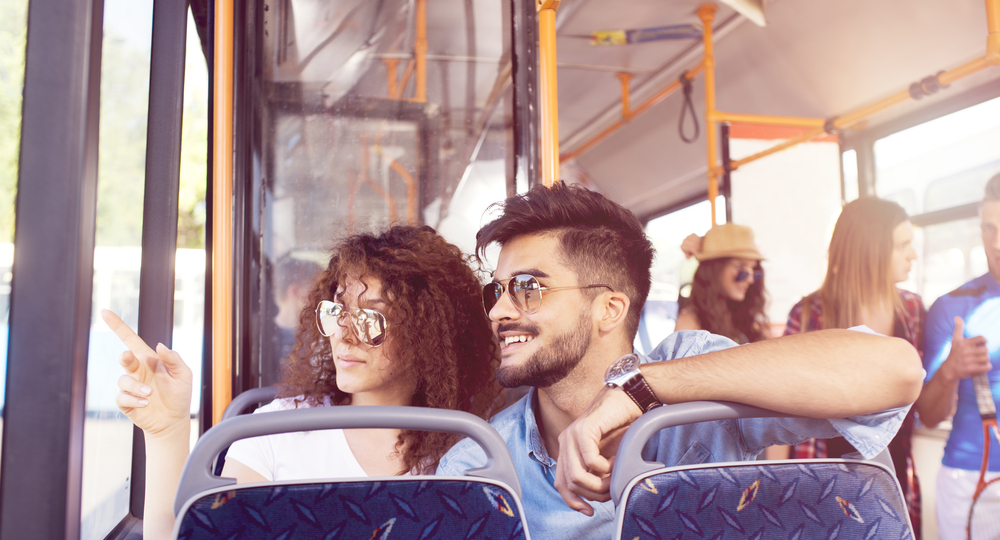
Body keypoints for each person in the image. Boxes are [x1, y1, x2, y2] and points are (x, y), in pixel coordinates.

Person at [436, 181, 924, 539]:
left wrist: (636, 389)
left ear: (610, 308)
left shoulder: (691, 371)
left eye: (528, 288)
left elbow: (896, 371)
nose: (499, 311)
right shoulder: (477, 463)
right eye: (496, 291)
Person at [107, 225, 501, 540]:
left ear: (428, 335)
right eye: (336, 312)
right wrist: (166, 432)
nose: (342, 335)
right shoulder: (278, 430)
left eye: (370, 318)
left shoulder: (468, 450)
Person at [782, 196, 923, 536]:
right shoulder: (807, 315)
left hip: (895, 470)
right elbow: (779, 413)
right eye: (902, 245)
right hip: (821, 476)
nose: (912, 255)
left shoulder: (913, 309)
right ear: (869, 250)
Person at [916, 172, 1000, 539]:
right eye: (989, 228)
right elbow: (930, 417)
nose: (997, 243)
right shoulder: (951, 307)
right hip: (969, 480)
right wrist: (950, 372)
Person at [675, 223, 770, 343]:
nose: (750, 279)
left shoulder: (740, 318)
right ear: (714, 270)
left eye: (753, 271)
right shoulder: (689, 324)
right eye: (740, 267)